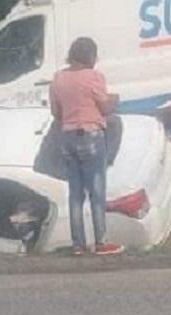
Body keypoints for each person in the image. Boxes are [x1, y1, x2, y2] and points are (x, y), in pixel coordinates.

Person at [49, 37, 124, 256]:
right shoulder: (94, 77)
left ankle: (78, 245)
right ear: (90, 56)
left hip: (67, 138)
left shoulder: (58, 79)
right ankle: (101, 242)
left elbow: (56, 113)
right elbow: (104, 107)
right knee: (96, 191)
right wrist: (114, 100)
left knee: (75, 194)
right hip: (90, 135)